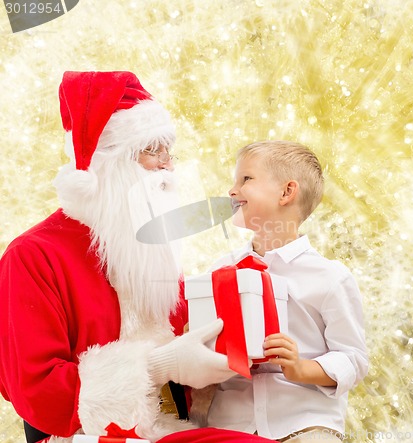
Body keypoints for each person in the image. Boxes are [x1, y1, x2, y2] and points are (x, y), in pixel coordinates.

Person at [0, 71, 274, 443]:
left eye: (168, 151)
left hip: (175, 426)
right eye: (151, 150)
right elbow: (38, 395)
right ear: (109, 162)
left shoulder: (150, 250)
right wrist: (159, 366)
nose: (168, 165)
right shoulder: (32, 256)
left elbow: (187, 342)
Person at [193, 141, 369, 442]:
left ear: (287, 192)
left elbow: (353, 359)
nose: (232, 191)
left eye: (246, 179)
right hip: (231, 425)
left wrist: (301, 368)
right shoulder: (220, 271)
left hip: (304, 424)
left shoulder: (330, 277)